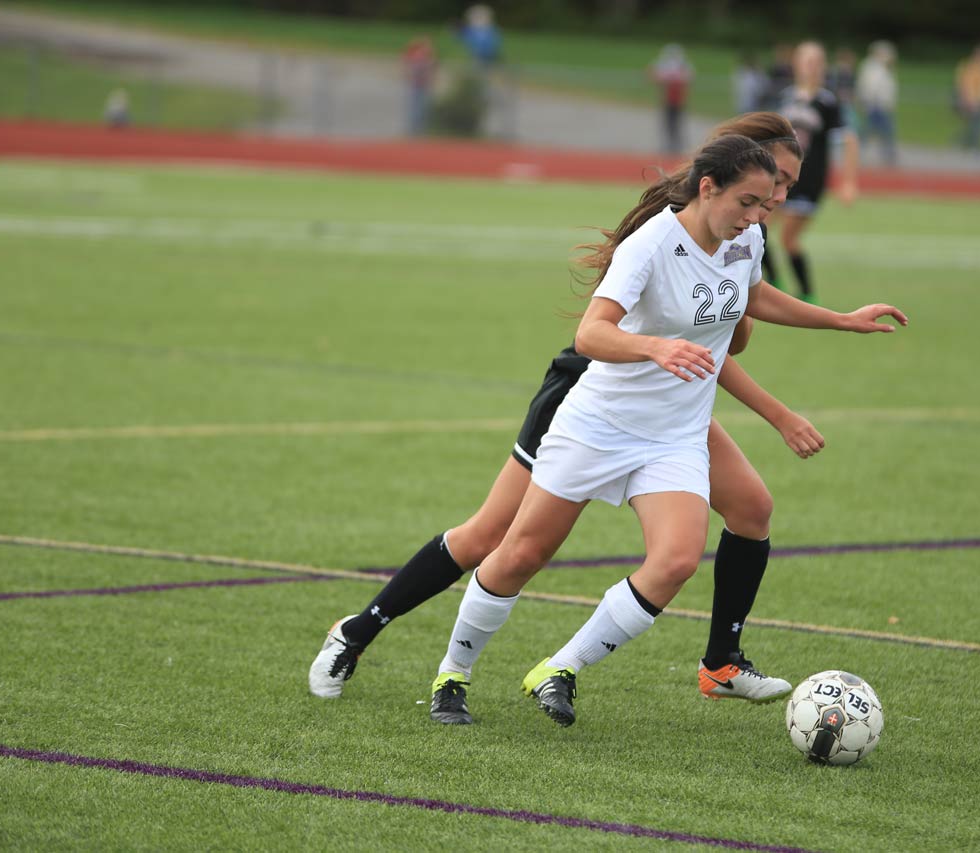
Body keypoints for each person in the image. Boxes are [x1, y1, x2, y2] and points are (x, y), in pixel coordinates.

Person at [310, 113, 815, 710]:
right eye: (775, 183)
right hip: (595, 388)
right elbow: (634, 339)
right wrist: (762, 390)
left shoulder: (739, 237)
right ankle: (357, 631)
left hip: (669, 400)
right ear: (723, 179)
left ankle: (720, 664)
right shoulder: (666, 238)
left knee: (750, 506)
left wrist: (765, 336)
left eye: (784, 187)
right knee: (491, 538)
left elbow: (714, 344)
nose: (781, 199)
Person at [424, 134, 907, 727]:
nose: (758, 217)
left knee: (677, 559)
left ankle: (560, 669)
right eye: (747, 202)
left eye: (767, 205)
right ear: (708, 189)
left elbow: (757, 298)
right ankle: (452, 675)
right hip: (598, 424)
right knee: (520, 554)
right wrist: (653, 347)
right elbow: (591, 336)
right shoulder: (651, 244)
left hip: (674, 436)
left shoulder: (744, 239)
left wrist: (841, 320)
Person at [772, 40, 859, 304]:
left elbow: (850, 140)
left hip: (809, 180)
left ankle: (807, 293)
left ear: (823, 67)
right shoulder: (786, 97)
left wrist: (848, 182)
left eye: (815, 61)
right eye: (804, 60)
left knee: (788, 239)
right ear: (796, 64)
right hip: (778, 178)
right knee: (755, 231)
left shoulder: (828, 102)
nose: (809, 66)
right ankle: (771, 285)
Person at [857, 41, 898, 166]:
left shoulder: (884, 68)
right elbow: (870, 87)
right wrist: (867, 101)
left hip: (883, 105)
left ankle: (888, 155)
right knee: (878, 130)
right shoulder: (871, 67)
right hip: (875, 105)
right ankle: (857, 153)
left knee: (881, 131)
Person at [650, 44, 694, 153]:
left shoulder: (683, 66)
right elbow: (653, 75)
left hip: (678, 101)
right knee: (668, 124)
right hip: (668, 100)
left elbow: (688, 79)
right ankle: (669, 145)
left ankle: (677, 145)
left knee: (677, 124)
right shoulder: (665, 66)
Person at [954, 44, 980, 156]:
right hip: (973, 101)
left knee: (979, 125)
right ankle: (973, 146)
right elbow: (966, 85)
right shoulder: (970, 67)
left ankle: (970, 145)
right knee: (975, 125)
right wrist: (968, 100)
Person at [401, 36, 437, 136]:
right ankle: (414, 129)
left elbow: (431, 71)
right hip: (416, 86)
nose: (429, 48)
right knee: (416, 108)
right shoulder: (418, 56)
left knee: (423, 108)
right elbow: (409, 67)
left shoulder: (428, 57)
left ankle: (420, 129)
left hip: (424, 86)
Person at [825, 48, 859, 133]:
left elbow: (853, 88)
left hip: (848, 102)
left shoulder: (850, 73)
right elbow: (832, 87)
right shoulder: (835, 73)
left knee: (852, 123)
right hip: (839, 102)